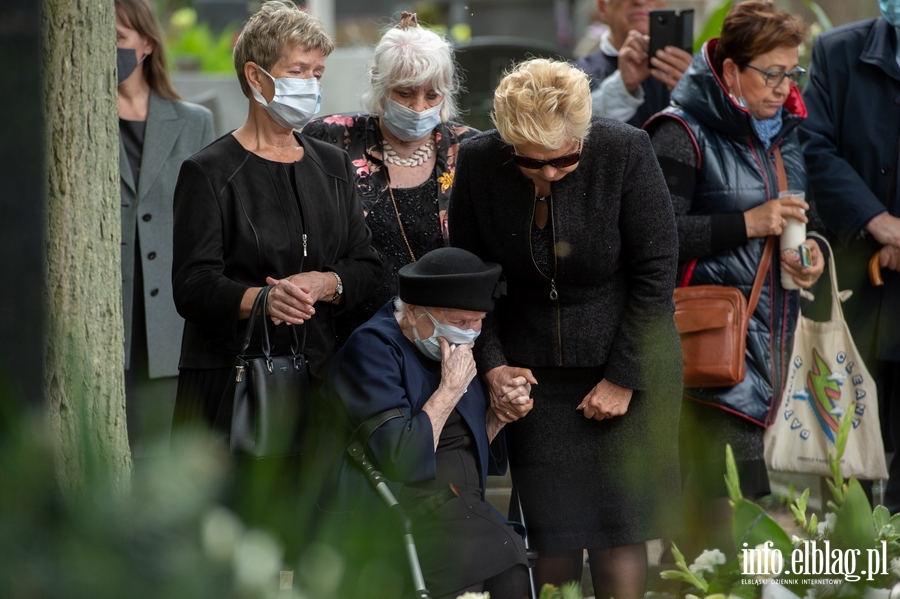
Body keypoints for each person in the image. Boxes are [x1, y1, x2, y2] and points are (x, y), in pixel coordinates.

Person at [450, 58, 683, 599]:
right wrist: (492, 364)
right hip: (533, 378)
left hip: (626, 363)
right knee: (551, 540)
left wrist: (624, 377)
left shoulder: (624, 150)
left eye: (565, 160)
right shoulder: (482, 161)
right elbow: (470, 279)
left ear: (584, 135)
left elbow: (656, 273)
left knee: (618, 536)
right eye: (532, 164)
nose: (549, 173)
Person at [644, 1, 826, 557]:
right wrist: (747, 223)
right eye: (770, 73)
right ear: (729, 72)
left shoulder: (784, 135)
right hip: (705, 352)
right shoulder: (680, 133)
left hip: (768, 346)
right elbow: (655, 237)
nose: (782, 86)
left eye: (791, 73)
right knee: (725, 515)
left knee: (731, 515)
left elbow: (796, 225)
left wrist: (809, 254)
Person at [170, 0, 381, 441]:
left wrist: (327, 283)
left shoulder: (333, 163)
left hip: (318, 383)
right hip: (233, 388)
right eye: (298, 71)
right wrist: (262, 300)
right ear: (255, 76)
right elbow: (193, 287)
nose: (310, 84)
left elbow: (366, 265)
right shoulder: (208, 171)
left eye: (317, 73)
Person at [326, 247, 530, 599]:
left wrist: (498, 416)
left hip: (460, 505)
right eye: (460, 322)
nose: (470, 333)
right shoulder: (374, 347)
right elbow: (398, 459)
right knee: (490, 554)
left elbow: (463, 443)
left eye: (477, 320)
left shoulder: (452, 346)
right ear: (417, 312)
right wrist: (450, 389)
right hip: (400, 504)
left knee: (507, 562)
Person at [303, 13, 478, 342]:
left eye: (432, 95)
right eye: (405, 94)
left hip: (444, 337)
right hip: (350, 334)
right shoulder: (333, 138)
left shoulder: (468, 148)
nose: (418, 107)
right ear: (379, 86)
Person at [799, 0, 900, 513]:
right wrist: (877, 223)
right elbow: (813, 145)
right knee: (844, 449)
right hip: (850, 285)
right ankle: (852, 577)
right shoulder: (839, 50)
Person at [115, 0, 214, 458]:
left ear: (148, 44)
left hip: (169, 320)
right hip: (107, 312)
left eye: (118, 40)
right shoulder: (75, 120)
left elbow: (207, 220)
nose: (109, 52)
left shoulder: (194, 122)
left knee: (160, 456)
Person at [573, 0, 692, 127]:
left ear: (663, 4)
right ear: (603, 7)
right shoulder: (576, 76)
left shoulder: (691, 67)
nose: (640, 1)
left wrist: (693, 91)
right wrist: (622, 86)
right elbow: (573, 128)